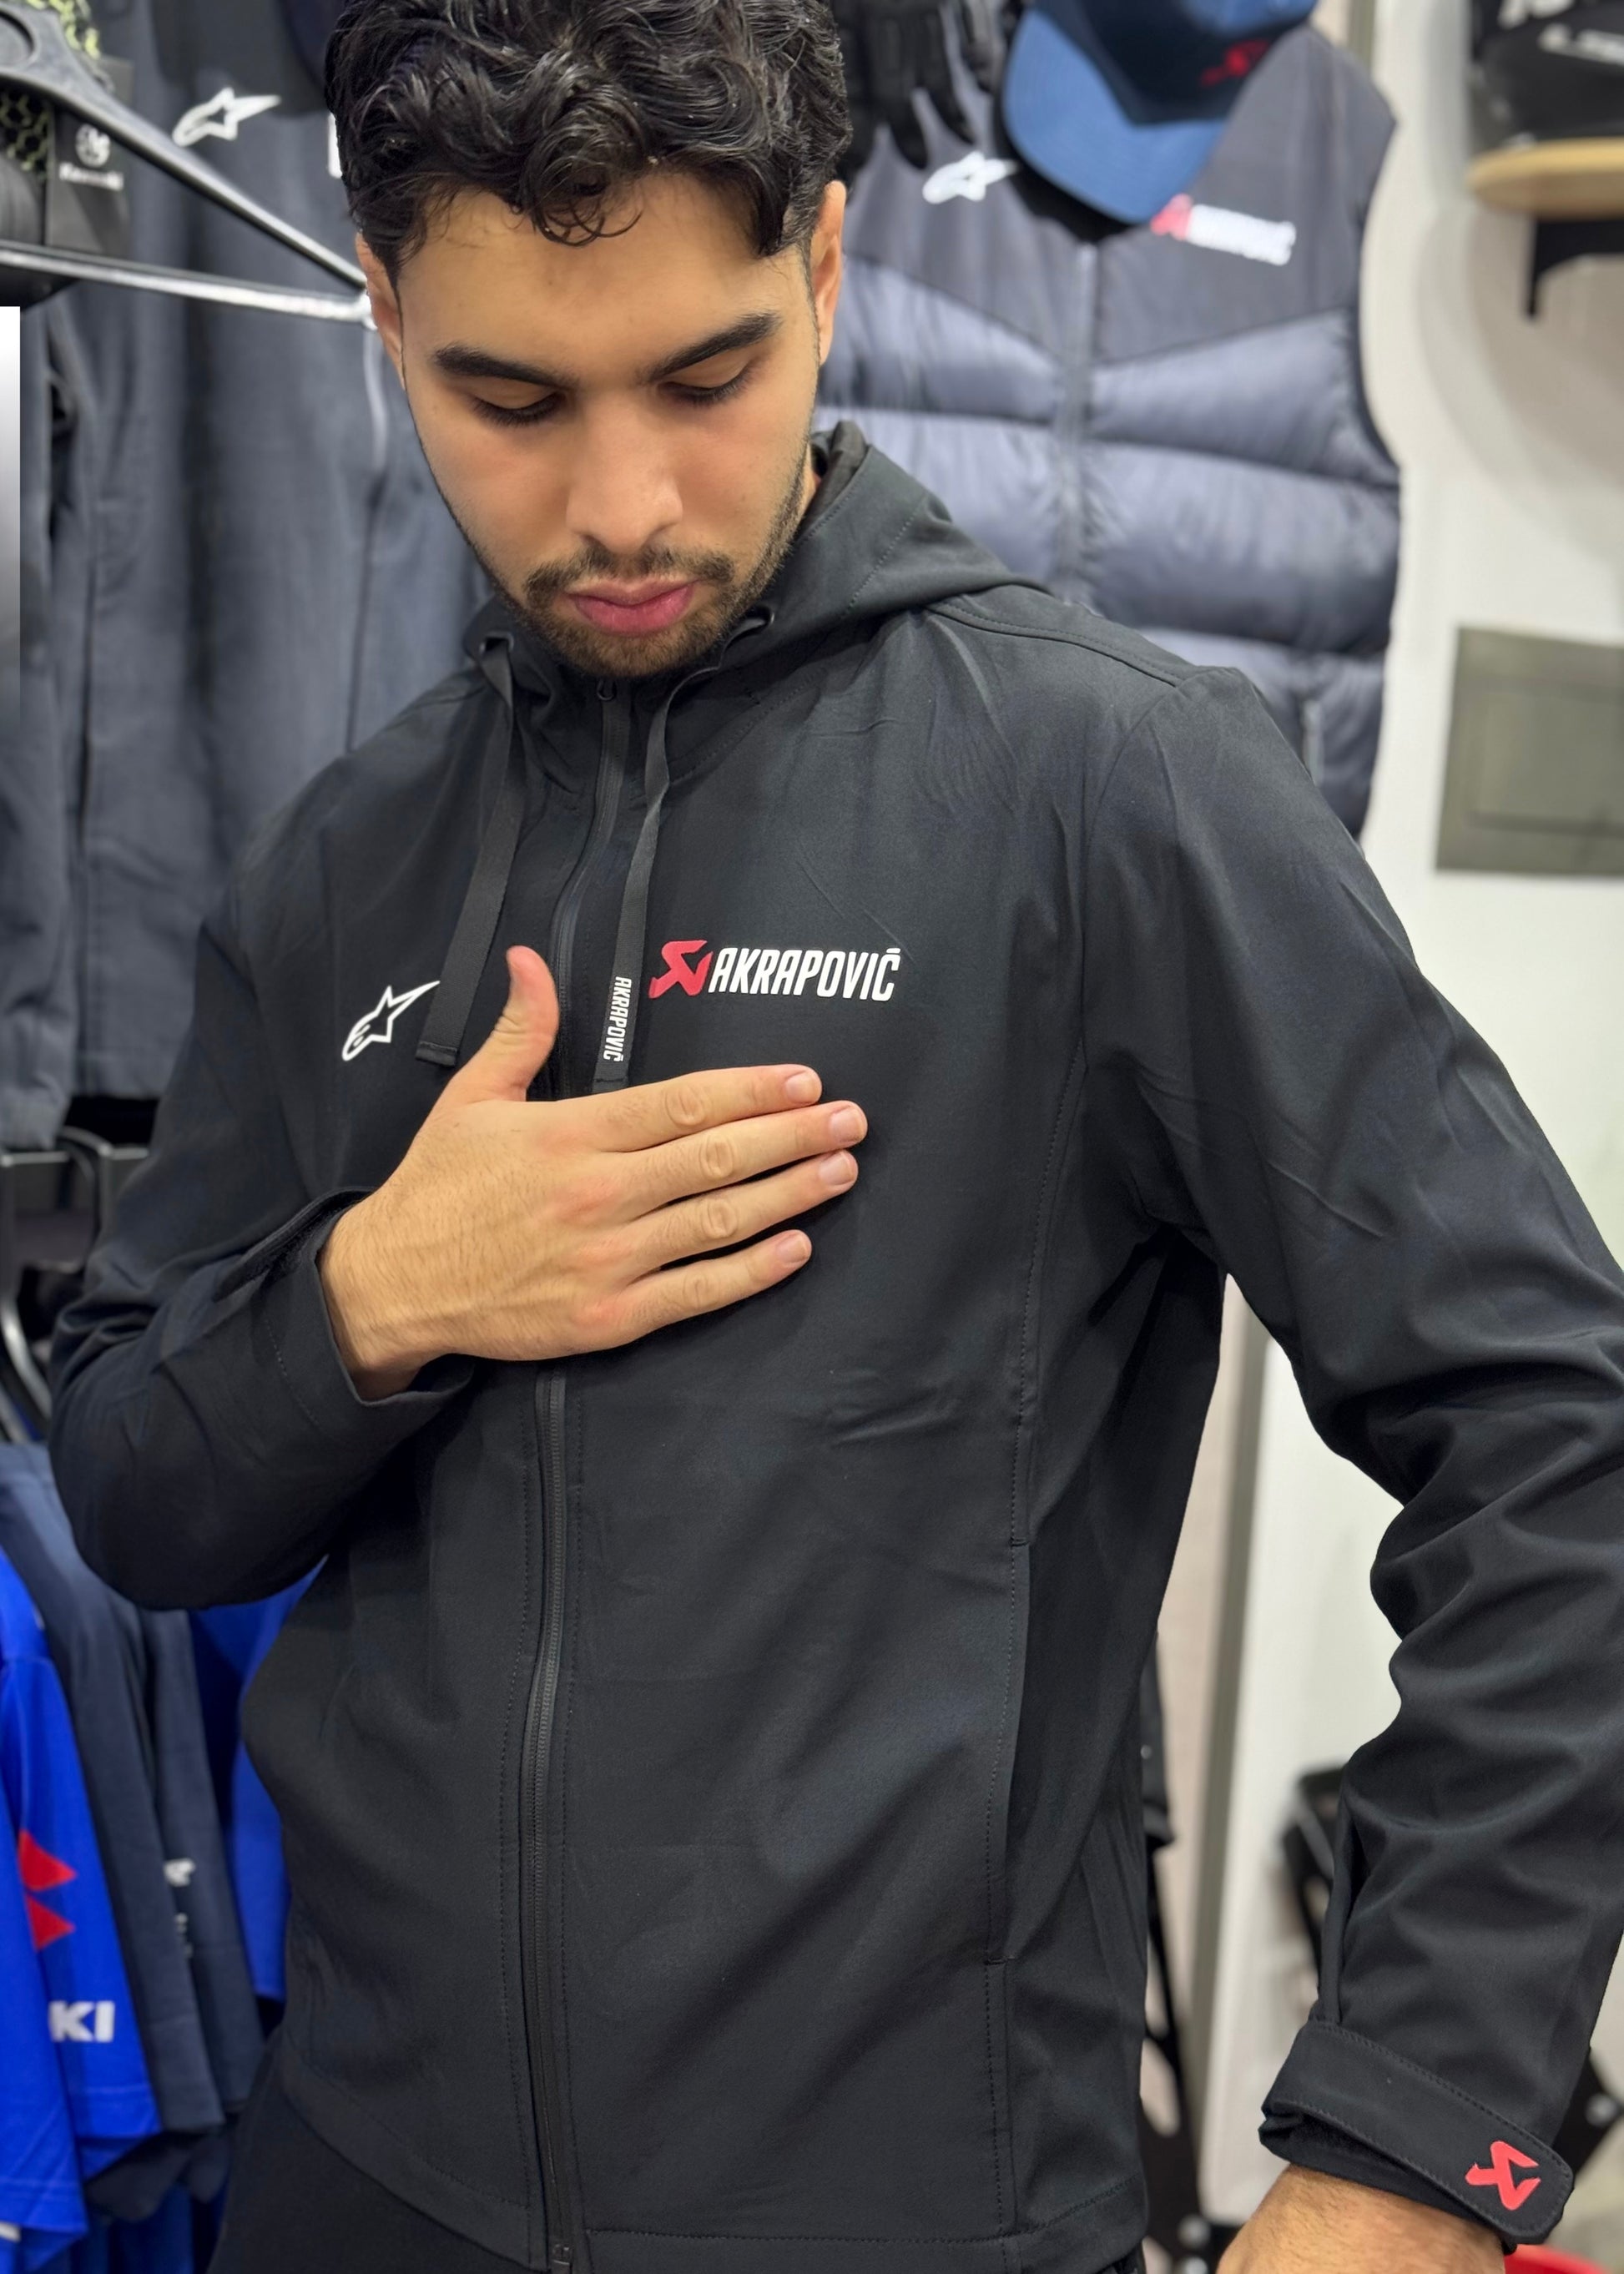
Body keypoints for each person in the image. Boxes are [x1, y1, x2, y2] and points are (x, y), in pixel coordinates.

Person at [47, 3, 1624, 2270]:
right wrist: (374, 1302)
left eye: (702, 376)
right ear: (381, 313)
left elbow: (1559, 1438)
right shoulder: (342, 860)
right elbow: (128, 1478)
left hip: (907, 2213)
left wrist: (1414, 2136)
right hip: (359, 2185)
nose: (619, 505)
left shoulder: (1107, 787)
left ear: (820, 264)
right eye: (509, 400)